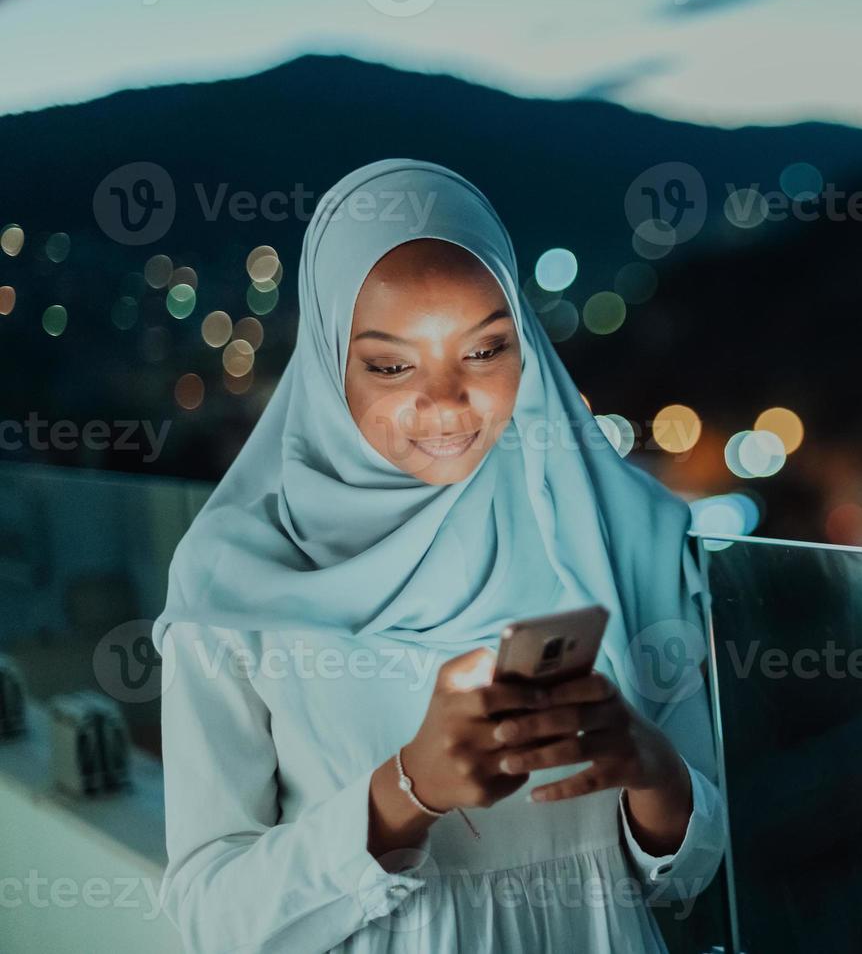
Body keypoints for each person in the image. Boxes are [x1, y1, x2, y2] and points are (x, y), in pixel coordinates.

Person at [151, 160, 727, 953]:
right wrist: (404, 792)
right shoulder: (234, 571)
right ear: (327, 360)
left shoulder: (620, 524)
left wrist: (652, 769)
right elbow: (210, 916)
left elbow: (693, 871)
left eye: (486, 351)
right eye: (391, 364)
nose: (448, 404)